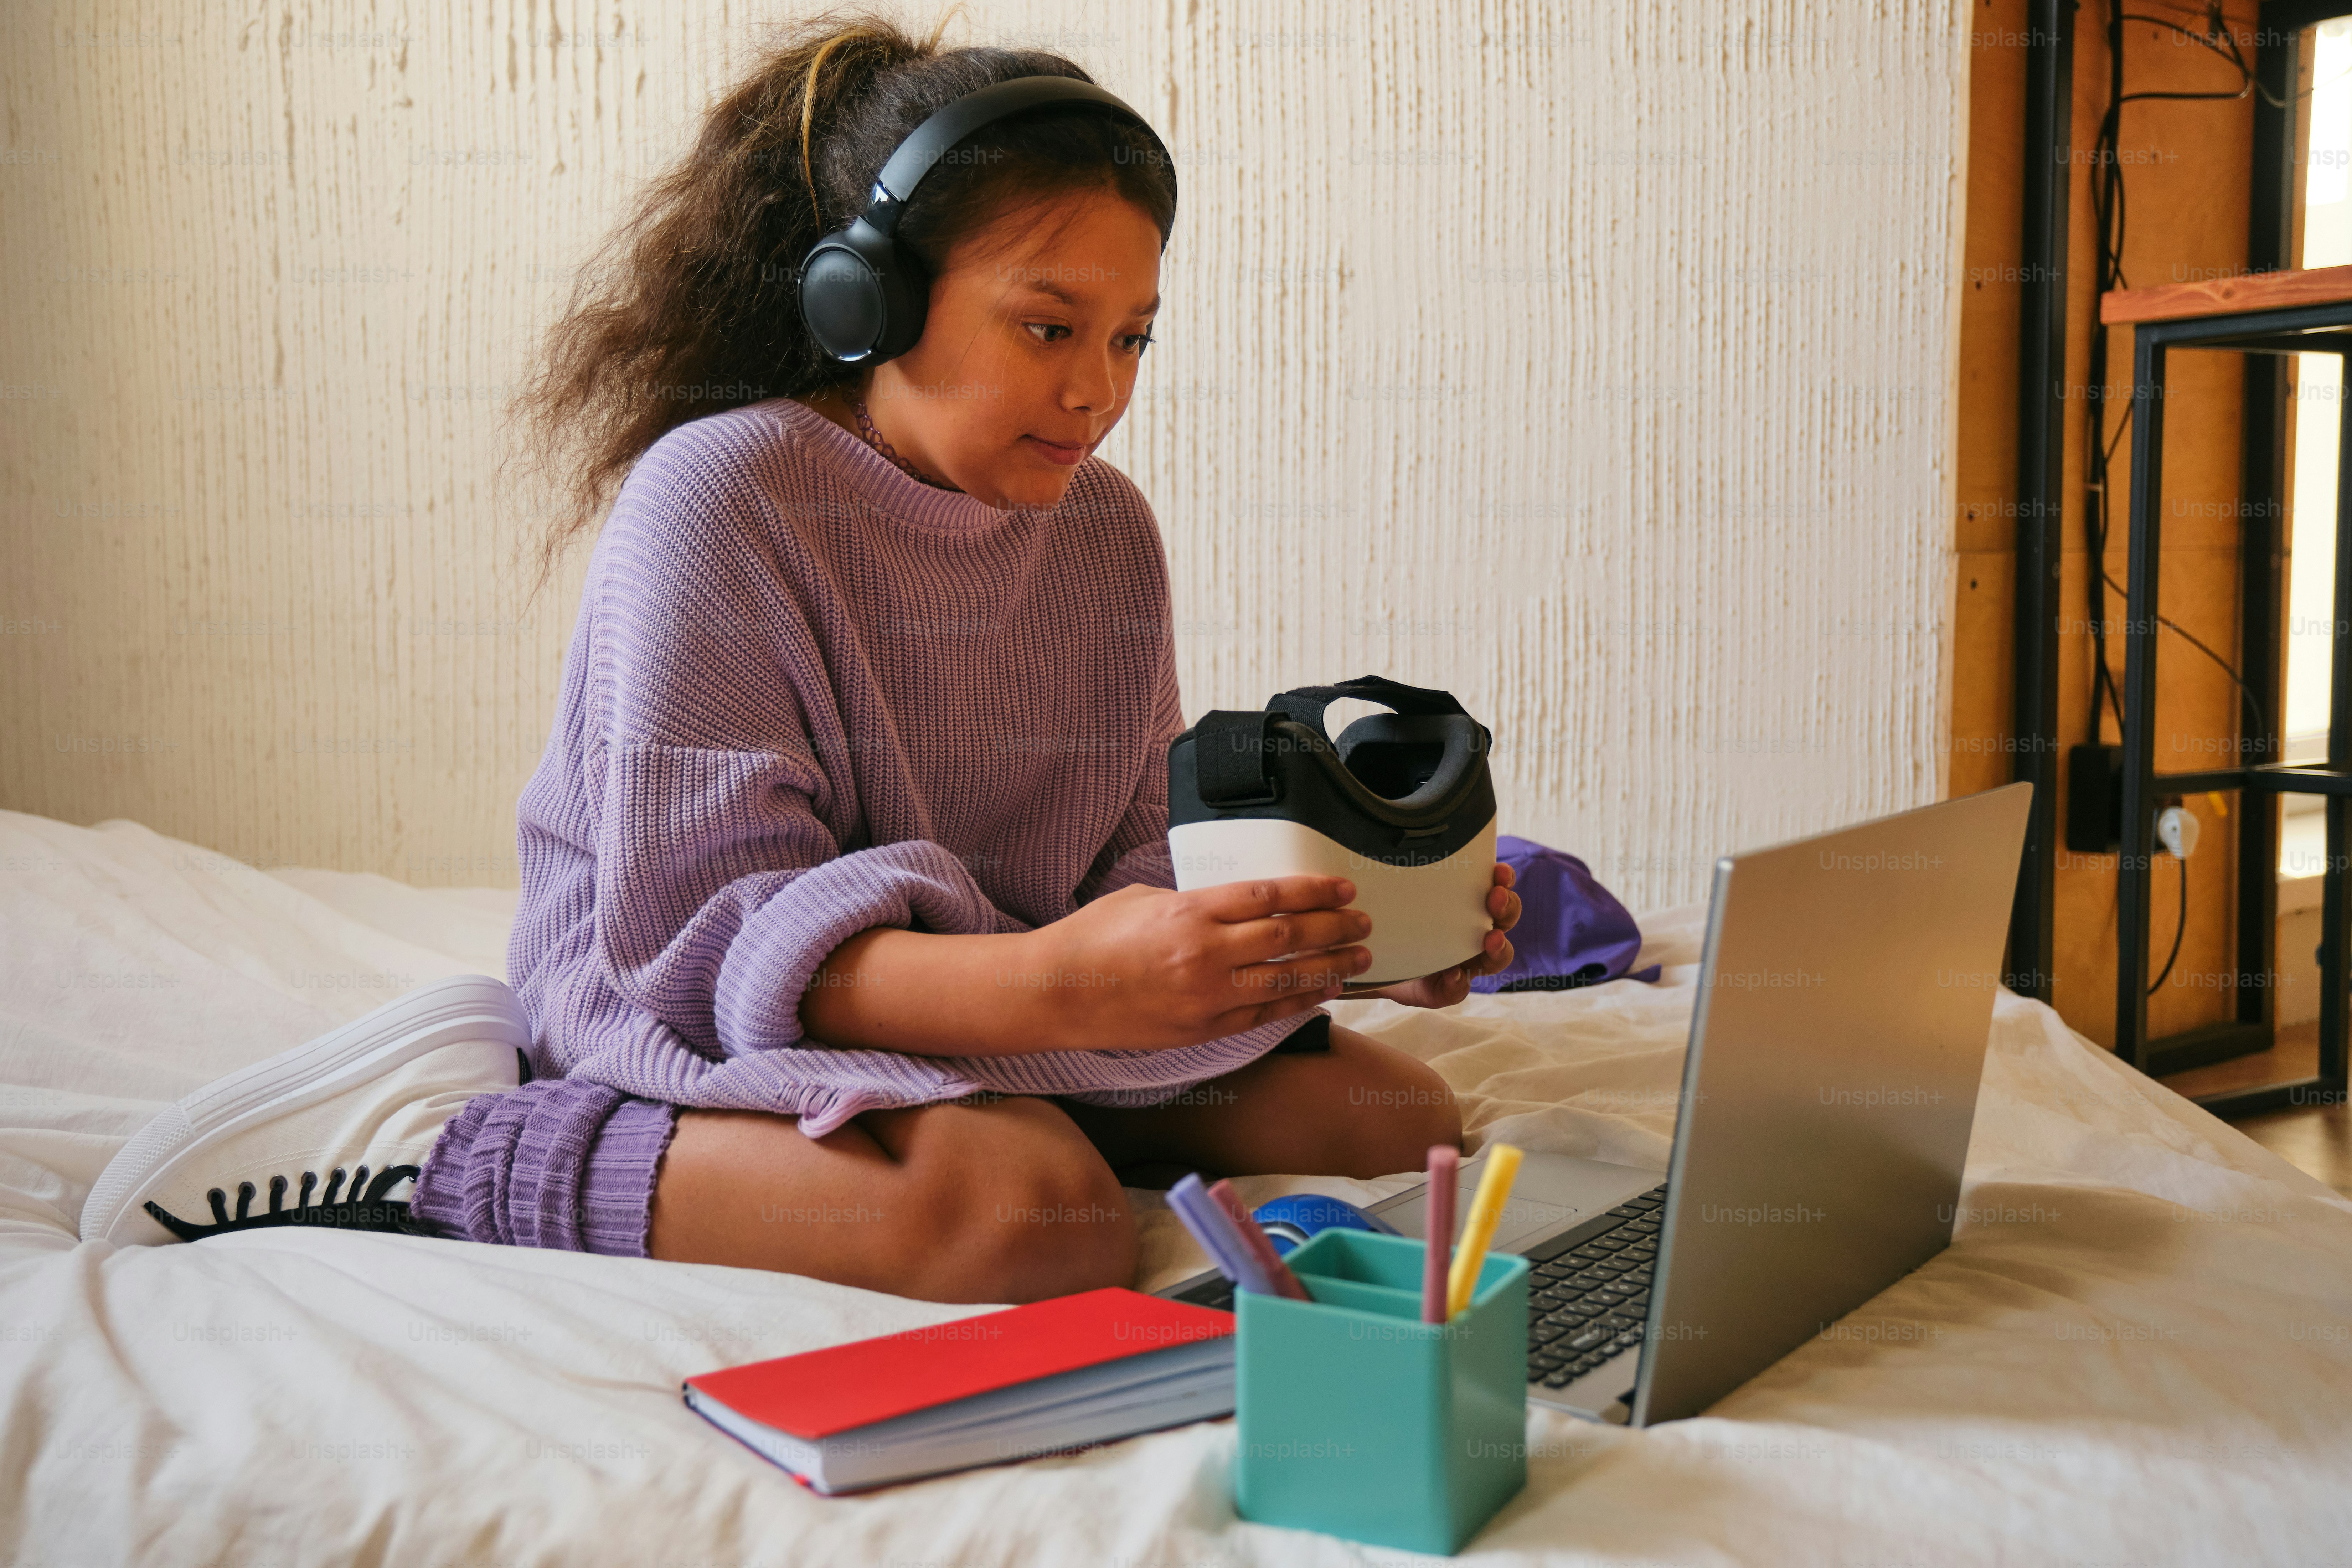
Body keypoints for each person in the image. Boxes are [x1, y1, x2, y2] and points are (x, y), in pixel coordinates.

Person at [82, 14, 1519, 1306]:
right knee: (1035, 1215)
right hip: (706, 994)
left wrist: (1311, 941)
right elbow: (706, 932)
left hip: (999, 991)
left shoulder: (1105, 530)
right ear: (868, 303)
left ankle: (989, 1105)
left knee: (1395, 1123)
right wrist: (1067, 995)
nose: (1097, 389)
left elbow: (1123, 863)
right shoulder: (724, 496)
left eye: (1132, 336)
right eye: (1047, 326)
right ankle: (473, 1146)